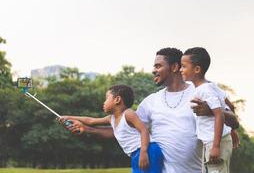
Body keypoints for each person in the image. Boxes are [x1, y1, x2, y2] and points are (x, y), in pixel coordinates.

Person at [65, 47, 239, 173]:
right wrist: (88, 129)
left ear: (175, 67)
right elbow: (122, 129)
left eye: (158, 66)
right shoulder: (150, 102)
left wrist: (212, 113)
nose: (153, 70)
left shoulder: (200, 92)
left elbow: (233, 120)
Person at [60, 85, 164, 173]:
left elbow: (144, 130)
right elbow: (91, 121)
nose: (104, 102)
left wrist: (143, 152)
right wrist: (69, 117)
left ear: (117, 100)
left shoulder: (128, 114)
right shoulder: (112, 119)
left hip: (148, 150)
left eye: (107, 98)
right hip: (135, 154)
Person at [180, 47, 232, 173]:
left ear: (197, 69)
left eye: (184, 66)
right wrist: (231, 132)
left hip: (214, 142)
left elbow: (219, 115)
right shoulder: (209, 86)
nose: (181, 70)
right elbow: (229, 106)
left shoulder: (205, 90)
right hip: (211, 141)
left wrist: (216, 146)